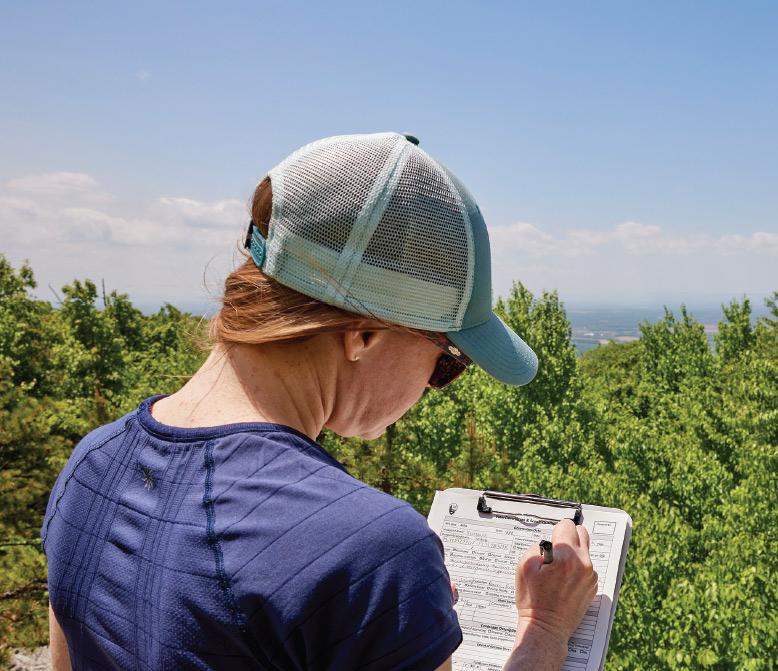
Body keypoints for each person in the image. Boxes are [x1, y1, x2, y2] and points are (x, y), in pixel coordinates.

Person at [40, 132, 599, 671]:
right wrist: (545, 628)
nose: (435, 385)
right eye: (446, 359)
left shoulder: (92, 462)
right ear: (364, 334)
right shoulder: (370, 553)